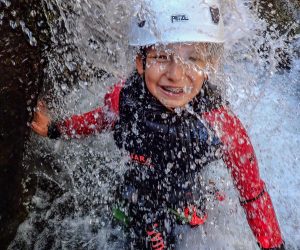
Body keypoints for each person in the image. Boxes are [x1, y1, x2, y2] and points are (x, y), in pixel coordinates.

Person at [31, 0, 285, 249]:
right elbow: (100, 119)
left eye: (194, 59)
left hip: (183, 187)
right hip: (138, 186)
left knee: (192, 214)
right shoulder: (126, 97)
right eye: (162, 56)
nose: (175, 74)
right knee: (139, 230)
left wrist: (273, 246)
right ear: (140, 63)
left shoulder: (222, 127)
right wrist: (55, 128)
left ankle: (189, 201)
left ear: (210, 66)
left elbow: (253, 195)